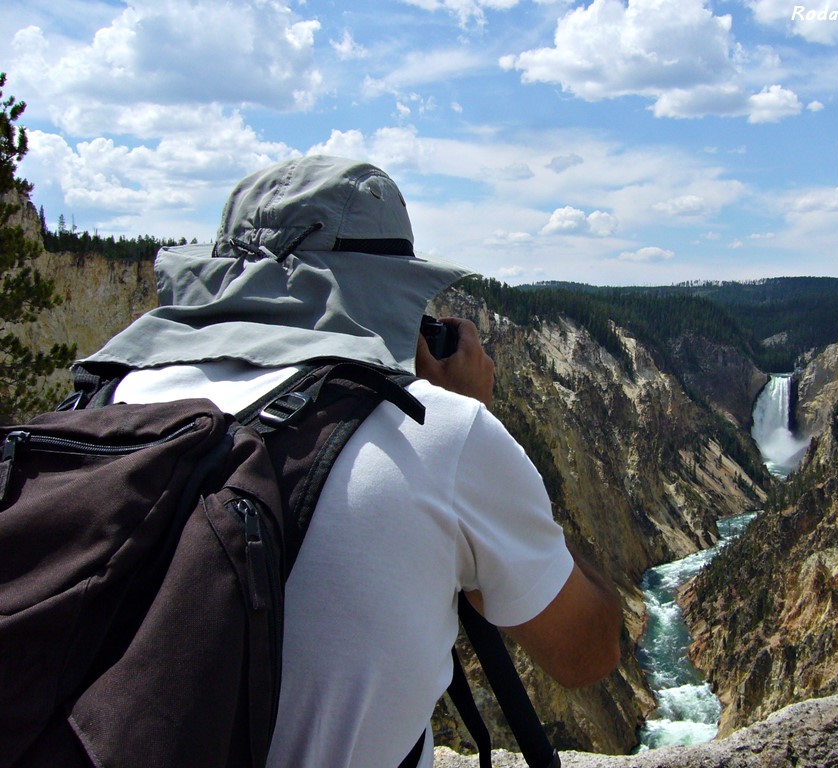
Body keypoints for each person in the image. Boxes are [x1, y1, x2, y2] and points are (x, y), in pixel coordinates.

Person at [80, 155, 622, 768]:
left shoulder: (100, 404)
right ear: (387, 289)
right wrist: (468, 422)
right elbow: (587, 652)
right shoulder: (439, 431)